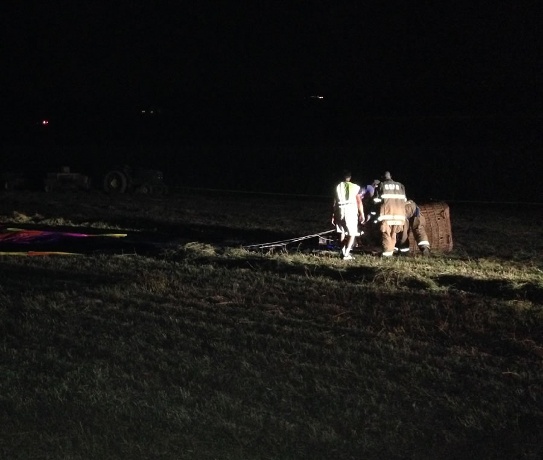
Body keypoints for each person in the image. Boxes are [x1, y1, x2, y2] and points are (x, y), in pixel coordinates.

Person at [332, 170, 364, 260]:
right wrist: (362, 213)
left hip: (339, 210)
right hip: (350, 210)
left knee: (341, 232)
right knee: (352, 233)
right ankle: (346, 253)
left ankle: (343, 252)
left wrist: (333, 215)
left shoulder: (337, 186)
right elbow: (359, 201)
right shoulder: (355, 187)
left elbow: (334, 202)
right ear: (350, 177)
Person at [375, 171, 407, 257]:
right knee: (394, 233)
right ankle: (391, 251)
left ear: (383, 177)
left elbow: (377, 200)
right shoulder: (401, 186)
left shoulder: (382, 185)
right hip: (399, 214)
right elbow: (404, 200)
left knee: (386, 233)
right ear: (391, 176)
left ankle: (386, 253)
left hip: (387, 214)